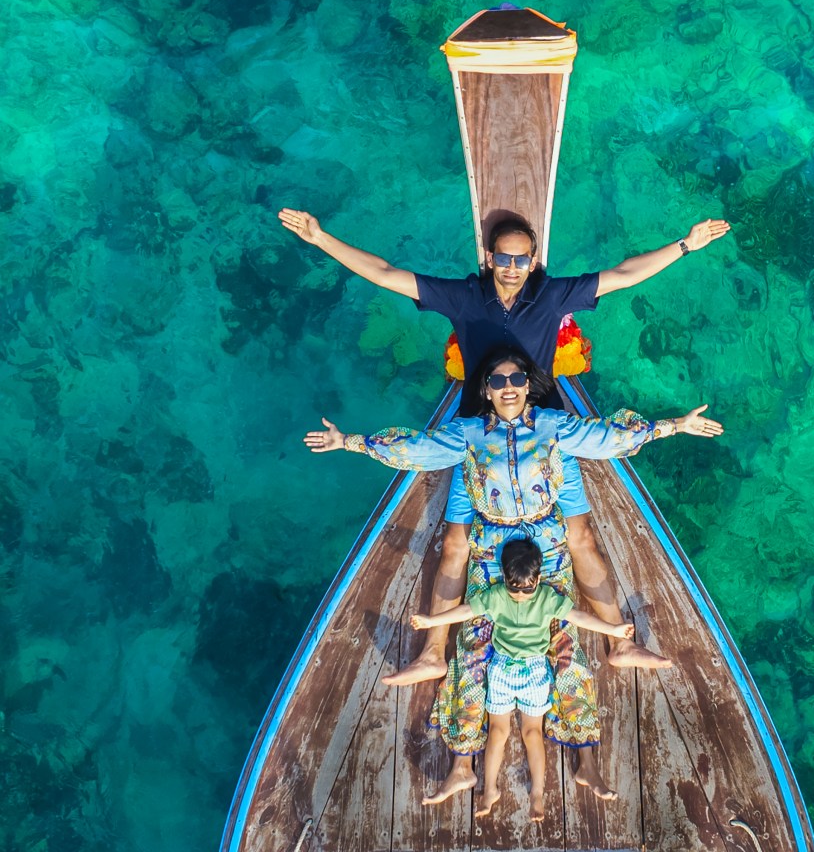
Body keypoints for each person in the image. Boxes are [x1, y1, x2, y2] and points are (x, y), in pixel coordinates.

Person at [280, 208, 730, 682]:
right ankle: (433, 653)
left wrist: (685, 245)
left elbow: (623, 274)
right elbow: (387, 274)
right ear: (488, 257)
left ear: (534, 261)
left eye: (521, 259)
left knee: (582, 539)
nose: (512, 268)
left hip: (548, 432)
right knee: (454, 543)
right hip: (479, 434)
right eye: (503, 258)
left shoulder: (552, 295)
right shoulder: (464, 298)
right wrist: (321, 238)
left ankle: (622, 642)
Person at [303, 346, 724, 803]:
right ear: (485, 390)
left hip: (545, 550)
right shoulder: (467, 433)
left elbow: (609, 438)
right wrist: (348, 442)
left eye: (516, 379)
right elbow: (416, 449)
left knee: (565, 647)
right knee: (472, 651)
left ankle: (587, 762)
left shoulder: (553, 426)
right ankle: (462, 765)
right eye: (498, 381)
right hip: (491, 551)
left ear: (528, 384)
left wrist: (675, 425)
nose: (508, 388)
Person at [409, 538, 636, 821]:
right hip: (507, 672)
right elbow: (466, 611)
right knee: (500, 734)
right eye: (516, 589)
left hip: (527, 673)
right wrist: (432, 621)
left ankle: (537, 795)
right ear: (510, 578)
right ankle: (489, 789)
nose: (521, 595)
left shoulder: (522, 596)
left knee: (530, 734)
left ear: (536, 578)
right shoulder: (518, 595)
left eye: (525, 589)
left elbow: (580, 618)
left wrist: (613, 630)